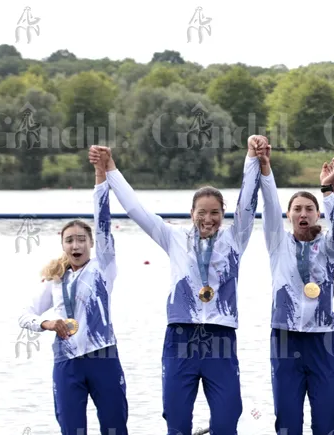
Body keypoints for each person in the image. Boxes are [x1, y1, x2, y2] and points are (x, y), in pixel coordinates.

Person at [94, 137, 262, 435]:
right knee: (177, 421)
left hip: (220, 339)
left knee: (225, 422)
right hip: (180, 338)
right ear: (191, 213)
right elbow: (136, 210)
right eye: (202, 212)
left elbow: (248, 202)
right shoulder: (173, 238)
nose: (208, 219)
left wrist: (251, 158)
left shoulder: (235, 239)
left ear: (224, 214)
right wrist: (112, 170)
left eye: (215, 213)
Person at [18, 146, 128, 435]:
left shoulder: (103, 267)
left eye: (81, 240)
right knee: (71, 430)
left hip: (103, 356)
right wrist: (47, 323)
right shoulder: (55, 278)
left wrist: (100, 174)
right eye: (70, 241)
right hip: (66, 362)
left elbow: (102, 220)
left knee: (115, 428)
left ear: (92, 244)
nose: (76, 246)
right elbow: (24, 315)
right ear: (63, 245)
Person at [257, 135, 334, 435]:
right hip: (285, 338)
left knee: (326, 421)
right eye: (297, 209)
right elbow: (269, 205)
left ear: (317, 214)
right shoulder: (277, 242)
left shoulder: (330, 247)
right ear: (289, 215)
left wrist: (330, 191)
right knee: (287, 422)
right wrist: (265, 168)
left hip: (323, 339)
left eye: (309, 209)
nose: (303, 213)